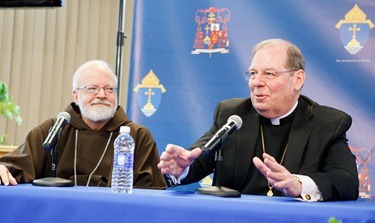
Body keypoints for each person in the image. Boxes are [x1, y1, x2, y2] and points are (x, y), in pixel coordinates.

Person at [158, 39, 359, 201]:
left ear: (297, 79)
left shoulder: (328, 123)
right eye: (253, 74)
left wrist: (299, 185)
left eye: (269, 74)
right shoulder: (232, 115)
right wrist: (182, 169)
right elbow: (199, 158)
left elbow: (347, 181)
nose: (257, 83)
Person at [0, 60, 166, 189]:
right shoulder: (53, 129)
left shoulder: (137, 136)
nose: (101, 95)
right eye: (91, 88)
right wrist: (3, 168)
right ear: (76, 95)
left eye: (109, 89)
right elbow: (16, 165)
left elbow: (150, 191)